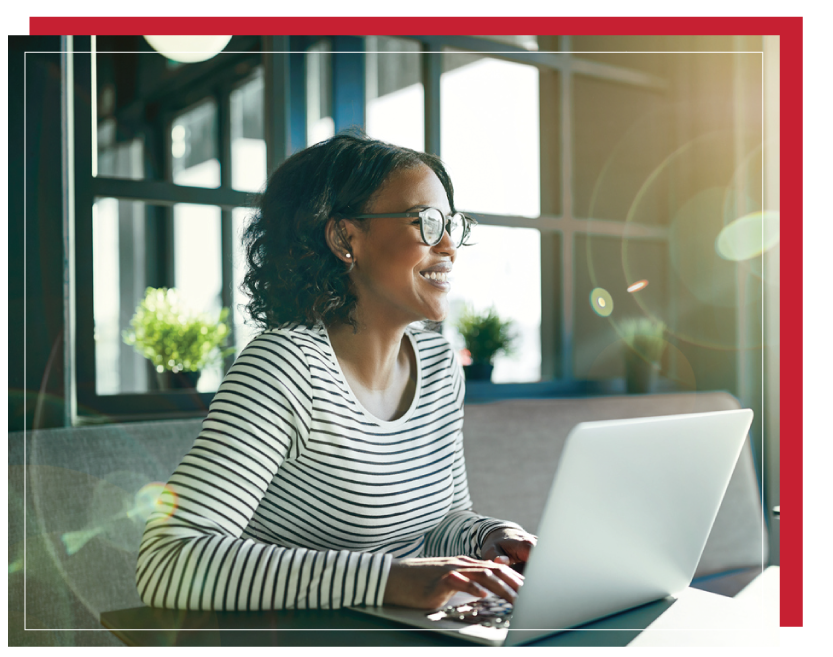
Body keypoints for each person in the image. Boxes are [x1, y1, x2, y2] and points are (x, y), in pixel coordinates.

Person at [135, 130, 537, 612]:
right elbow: (168, 559)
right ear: (346, 238)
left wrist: (489, 538)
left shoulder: (438, 365)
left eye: (452, 223)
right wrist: (388, 580)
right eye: (426, 223)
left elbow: (439, 521)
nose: (449, 245)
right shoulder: (283, 368)